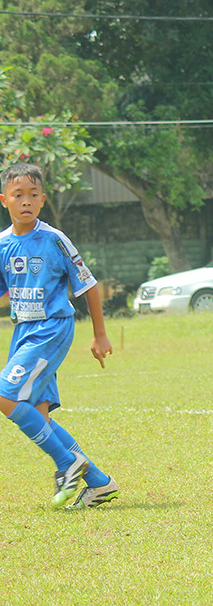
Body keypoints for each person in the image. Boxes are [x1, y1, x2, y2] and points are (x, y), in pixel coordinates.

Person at [0, 162, 119, 509]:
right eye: (18, 195)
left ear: (43, 199)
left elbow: (88, 285)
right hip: (23, 331)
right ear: (4, 200)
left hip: (51, 328)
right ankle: (99, 483)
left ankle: (67, 463)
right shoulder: (2, 244)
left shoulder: (54, 239)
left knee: (4, 395)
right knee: (39, 413)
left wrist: (100, 335)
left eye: (33, 195)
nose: (26, 201)